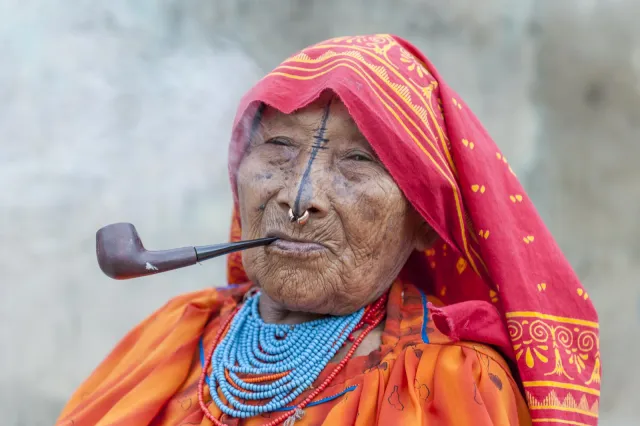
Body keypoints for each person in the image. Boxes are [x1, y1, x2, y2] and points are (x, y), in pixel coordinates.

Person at [56, 34, 600, 426]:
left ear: (425, 223)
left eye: (358, 161)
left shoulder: (454, 385)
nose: (299, 199)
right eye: (278, 147)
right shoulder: (173, 336)